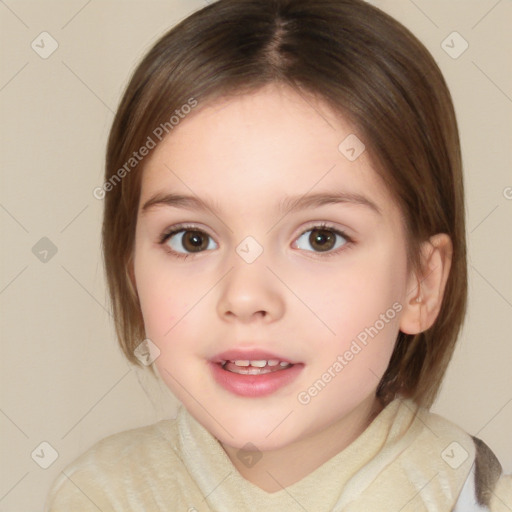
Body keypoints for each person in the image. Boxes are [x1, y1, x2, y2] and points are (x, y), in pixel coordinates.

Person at [45, 0, 511, 510]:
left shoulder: (471, 495)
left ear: (420, 282)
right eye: (192, 239)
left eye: (321, 238)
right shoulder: (96, 495)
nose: (245, 297)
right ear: (133, 275)